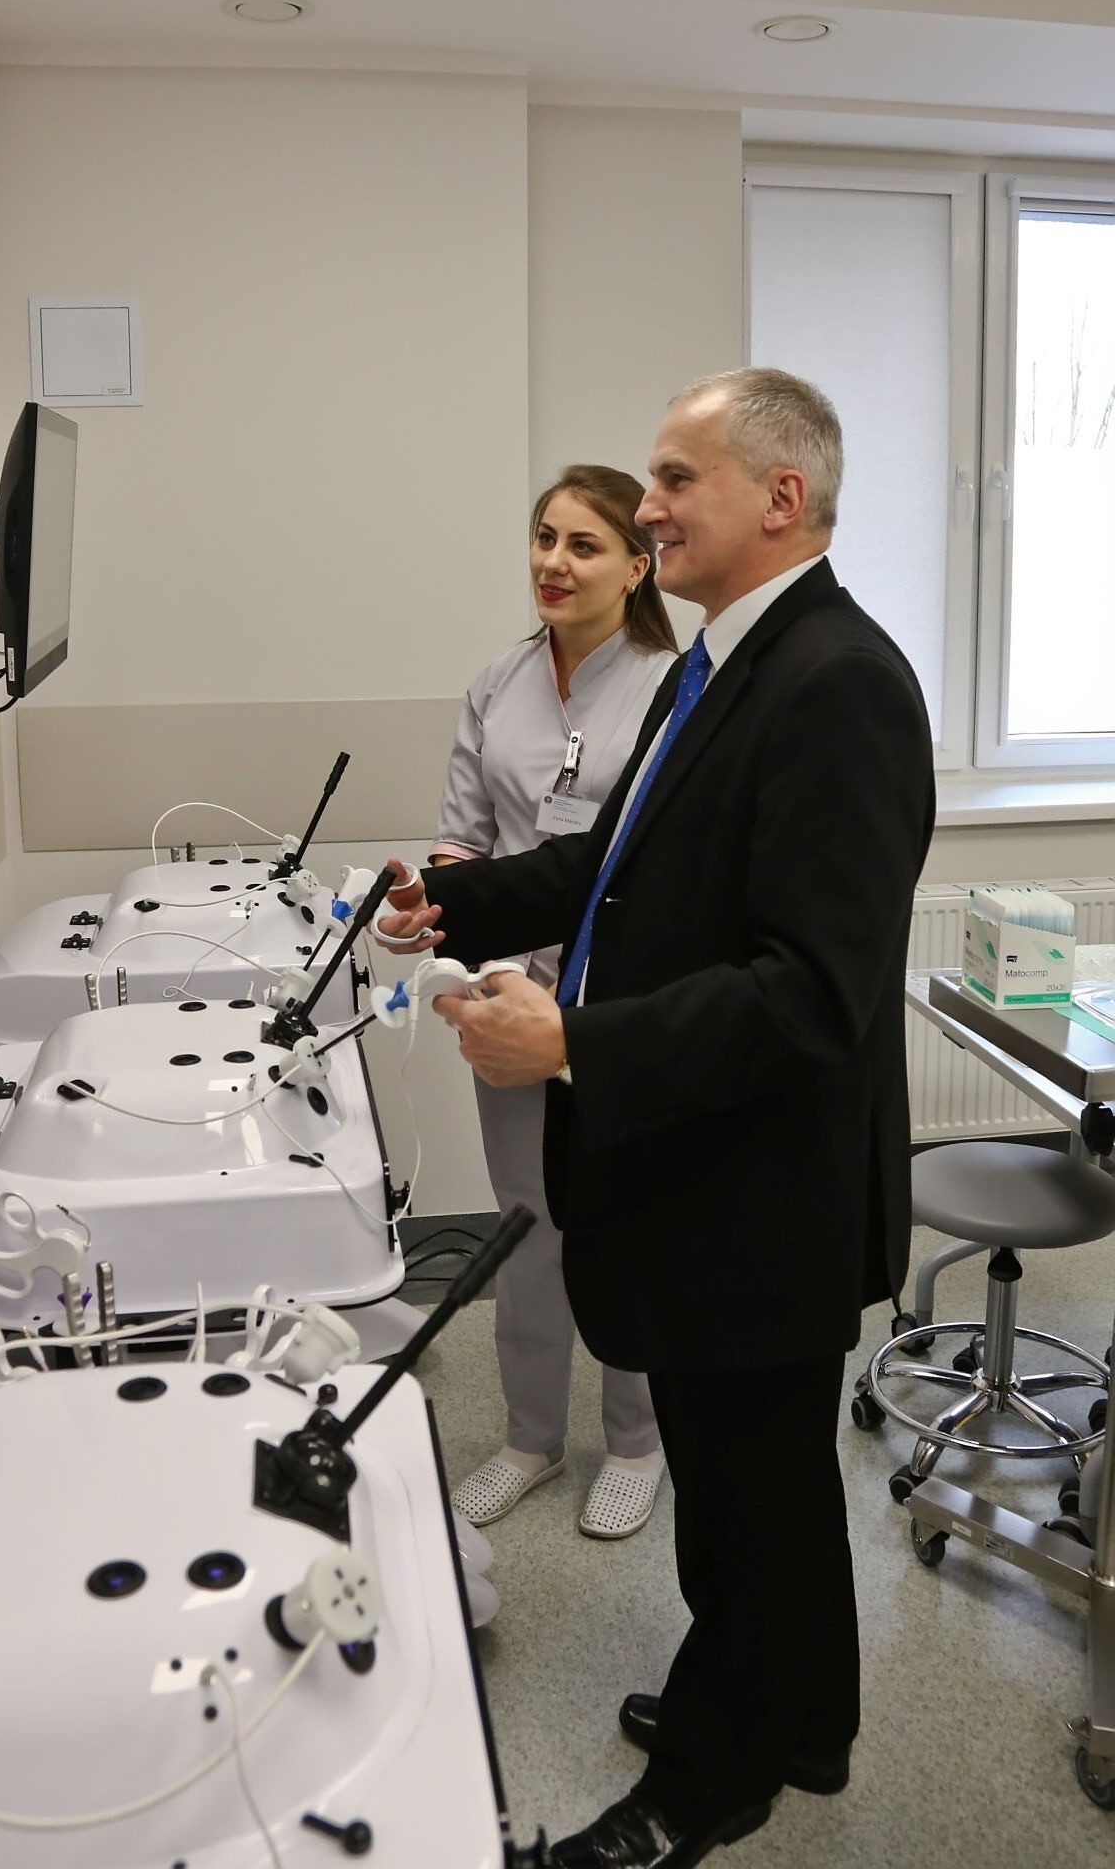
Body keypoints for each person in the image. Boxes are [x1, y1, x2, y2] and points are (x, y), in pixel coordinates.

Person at [379, 369, 935, 1868]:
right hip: (708, 1166)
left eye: (678, 479)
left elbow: (810, 995)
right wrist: (456, 905)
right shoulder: (718, 665)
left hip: (763, 1187)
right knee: (771, 1483)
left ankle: (705, 1782)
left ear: (781, 498)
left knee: (743, 1503)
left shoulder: (838, 684)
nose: (650, 508)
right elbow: (611, 866)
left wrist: (573, 1040)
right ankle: (802, 1722)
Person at [432, 465, 679, 1539]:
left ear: (638, 565)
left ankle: (636, 1441)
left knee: (627, 1221)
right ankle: (531, 1437)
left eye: (583, 544)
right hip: (509, 995)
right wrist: (431, 912)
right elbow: (464, 841)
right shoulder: (498, 684)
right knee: (526, 1224)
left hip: (621, 1007)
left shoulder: (675, 688)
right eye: (544, 537)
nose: (554, 562)